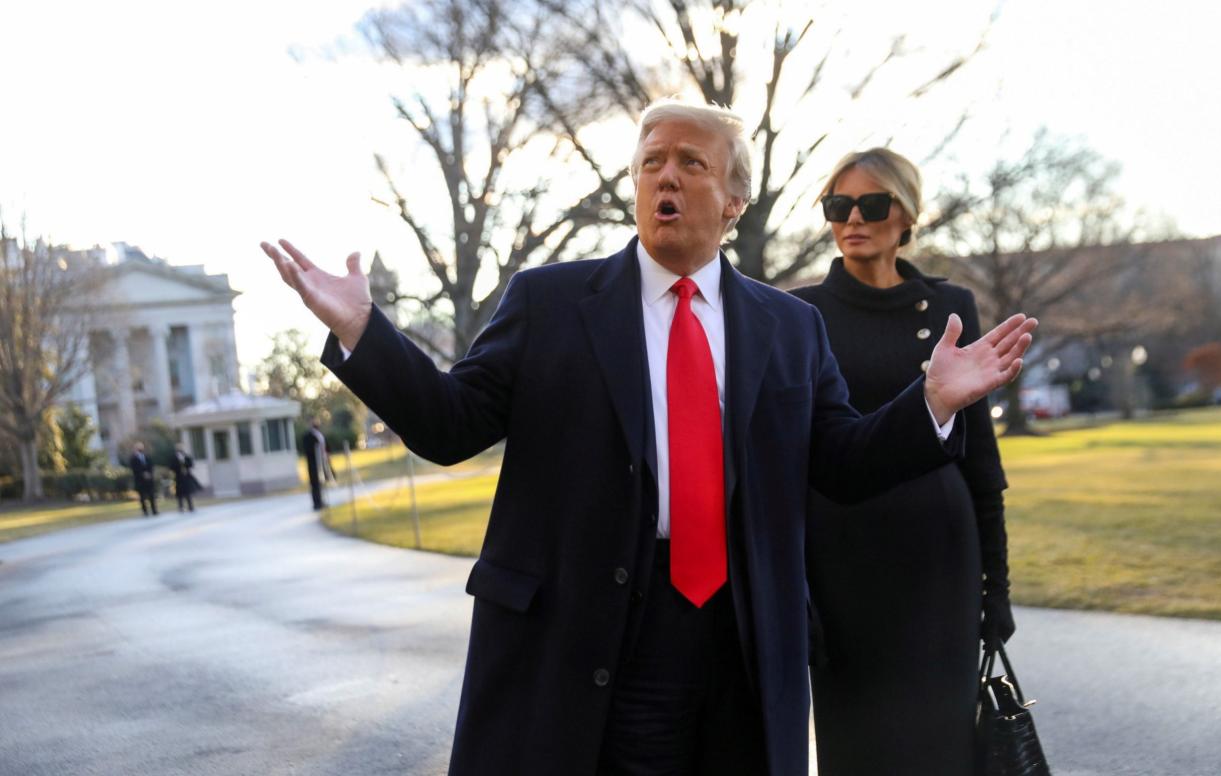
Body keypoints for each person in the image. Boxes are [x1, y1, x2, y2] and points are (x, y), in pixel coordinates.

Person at [261, 99, 1035, 776]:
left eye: (691, 162)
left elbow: (841, 460)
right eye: (651, 162)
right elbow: (448, 423)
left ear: (734, 200)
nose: (666, 177)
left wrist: (929, 402)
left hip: (742, 636)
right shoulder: (552, 303)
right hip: (599, 630)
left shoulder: (788, 326)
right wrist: (366, 332)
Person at [791, 148, 1015, 776]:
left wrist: (996, 587)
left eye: (872, 203)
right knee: (858, 743)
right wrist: (798, 592)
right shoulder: (797, 312)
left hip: (940, 557)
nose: (853, 218)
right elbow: (791, 460)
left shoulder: (949, 308)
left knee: (943, 743)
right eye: (838, 205)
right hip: (843, 561)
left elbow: (979, 456)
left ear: (907, 213)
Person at [301, 419, 333, 510]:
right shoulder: (307, 437)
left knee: (321, 482)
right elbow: (309, 450)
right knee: (315, 484)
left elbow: (327, 447)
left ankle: (322, 501)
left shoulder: (320, 435)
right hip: (313, 465)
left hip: (322, 463)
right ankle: (317, 503)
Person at [128, 441, 157, 516]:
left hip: (149, 480)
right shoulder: (133, 458)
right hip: (140, 481)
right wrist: (143, 474)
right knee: (142, 497)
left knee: (151, 495)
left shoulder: (147, 457)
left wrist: (149, 474)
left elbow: (151, 466)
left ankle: (154, 510)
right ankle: (145, 512)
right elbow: (134, 469)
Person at [170, 441, 197, 512]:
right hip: (179, 477)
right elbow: (172, 467)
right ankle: (181, 507)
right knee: (180, 493)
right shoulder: (174, 457)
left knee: (188, 492)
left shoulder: (186, 456)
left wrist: (185, 464)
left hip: (186, 477)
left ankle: (190, 506)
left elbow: (191, 464)